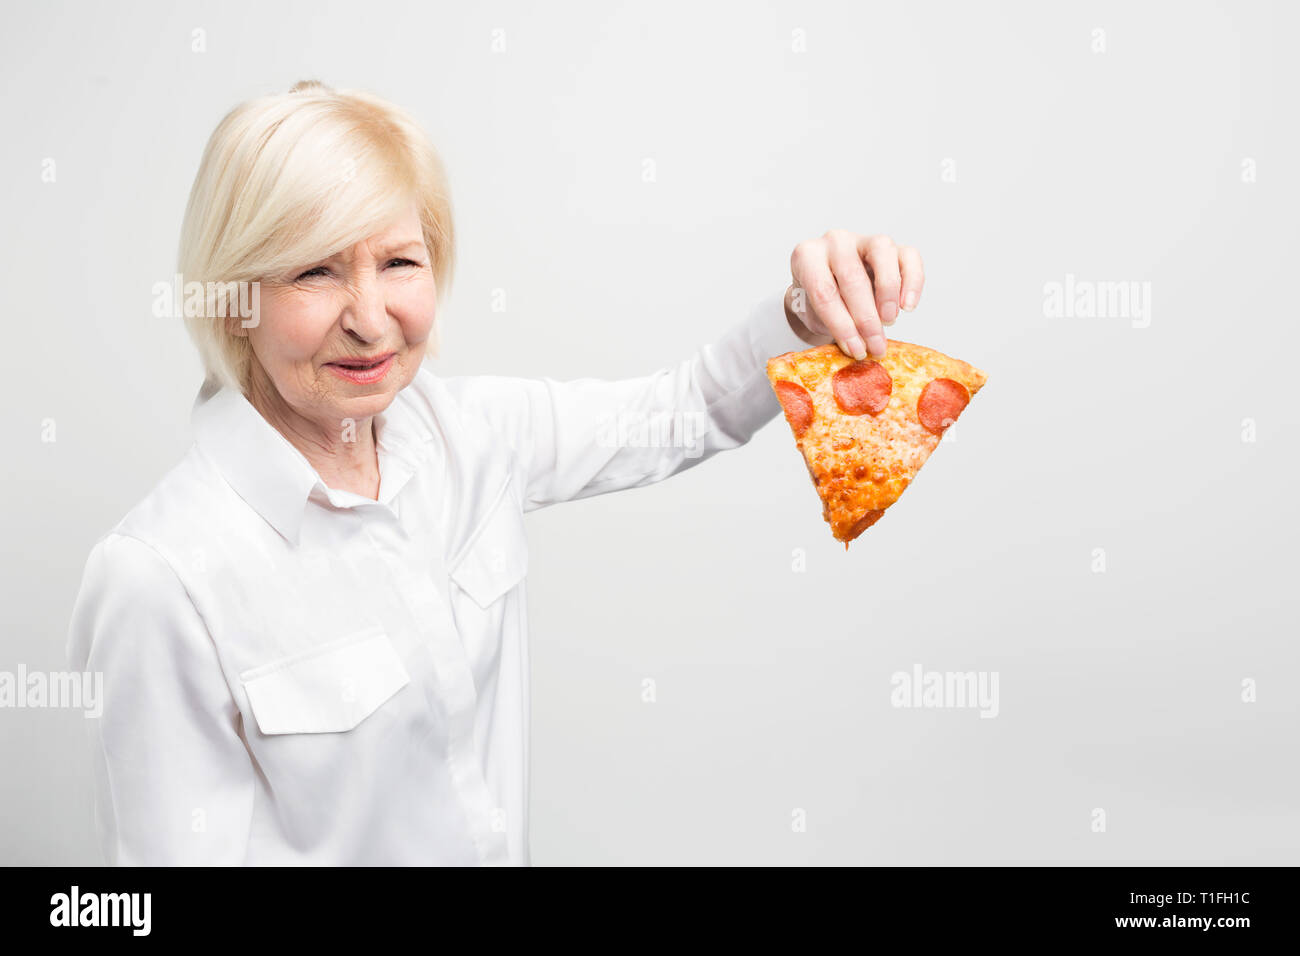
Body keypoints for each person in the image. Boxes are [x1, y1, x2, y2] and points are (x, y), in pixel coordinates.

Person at [66, 79, 925, 865]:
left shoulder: (469, 437)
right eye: (314, 270)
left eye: (399, 262)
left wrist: (806, 312)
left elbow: (688, 409)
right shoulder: (160, 577)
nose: (371, 320)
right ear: (234, 296)